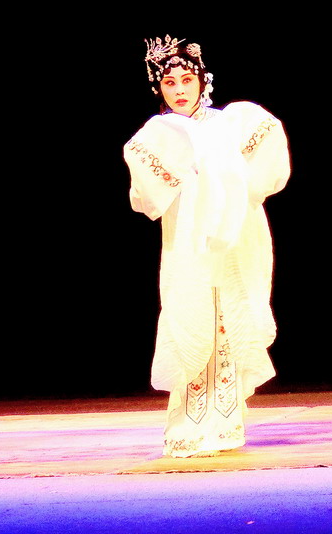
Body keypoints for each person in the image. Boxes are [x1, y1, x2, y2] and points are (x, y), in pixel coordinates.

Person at [124, 35, 291, 456]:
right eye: (169, 83)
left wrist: (224, 174)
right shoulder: (158, 135)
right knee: (189, 316)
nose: (180, 90)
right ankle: (189, 423)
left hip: (235, 239)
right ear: (159, 89)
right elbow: (144, 199)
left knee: (230, 317)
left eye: (186, 80)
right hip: (187, 244)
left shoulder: (232, 123)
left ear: (203, 81)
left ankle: (226, 421)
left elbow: (266, 170)